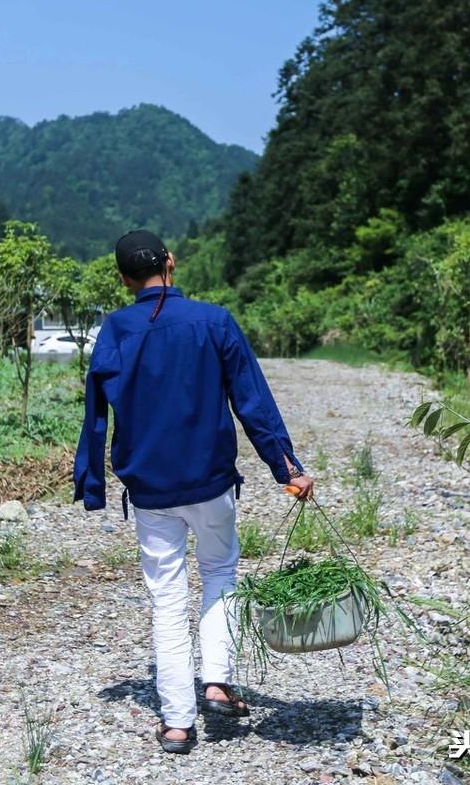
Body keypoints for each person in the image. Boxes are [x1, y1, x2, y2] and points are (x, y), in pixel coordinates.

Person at [73, 229, 314, 754]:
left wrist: (91, 482)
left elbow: (95, 413)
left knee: (166, 599)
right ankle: (217, 683)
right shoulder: (213, 320)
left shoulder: (115, 329)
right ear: (171, 262)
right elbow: (252, 400)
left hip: (151, 488)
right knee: (221, 573)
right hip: (210, 481)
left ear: (123, 278)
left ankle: (178, 722)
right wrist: (287, 467)